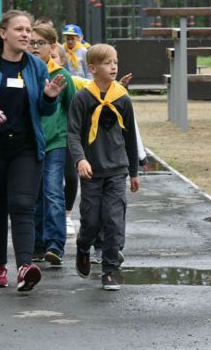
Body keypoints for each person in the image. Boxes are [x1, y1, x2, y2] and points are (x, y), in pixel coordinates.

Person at [0, 9, 66, 292]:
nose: (26, 35)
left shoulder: (36, 67)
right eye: (19, 29)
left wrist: (49, 97)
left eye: (28, 30)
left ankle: (24, 267)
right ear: (2, 33)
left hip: (26, 148)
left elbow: (42, 110)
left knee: (22, 206)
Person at [68, 43, 140, 291]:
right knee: (92, 221)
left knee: (114, 219)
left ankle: (110, 269)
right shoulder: (82, 98)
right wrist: (80, 159)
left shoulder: (122, 98)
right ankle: (82, 245)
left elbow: (130, 136)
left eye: (115, 62)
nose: (113, 67)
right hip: (92, 171)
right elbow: (73, 133)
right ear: (92, 68)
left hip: (117, 170)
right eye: (107, 63)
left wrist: (133, 171)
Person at [28, 24, 76, 265]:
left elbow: (72, 110)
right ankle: (37, 244)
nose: (34, 47)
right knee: (34, 195)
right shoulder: (22, 72)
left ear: (52, 47)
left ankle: (55, 245)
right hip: (27, 144)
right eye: (31, 43)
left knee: (53, 192)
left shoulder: (62, 76)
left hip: (54, 143)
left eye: (40, 43)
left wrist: (73, 143)